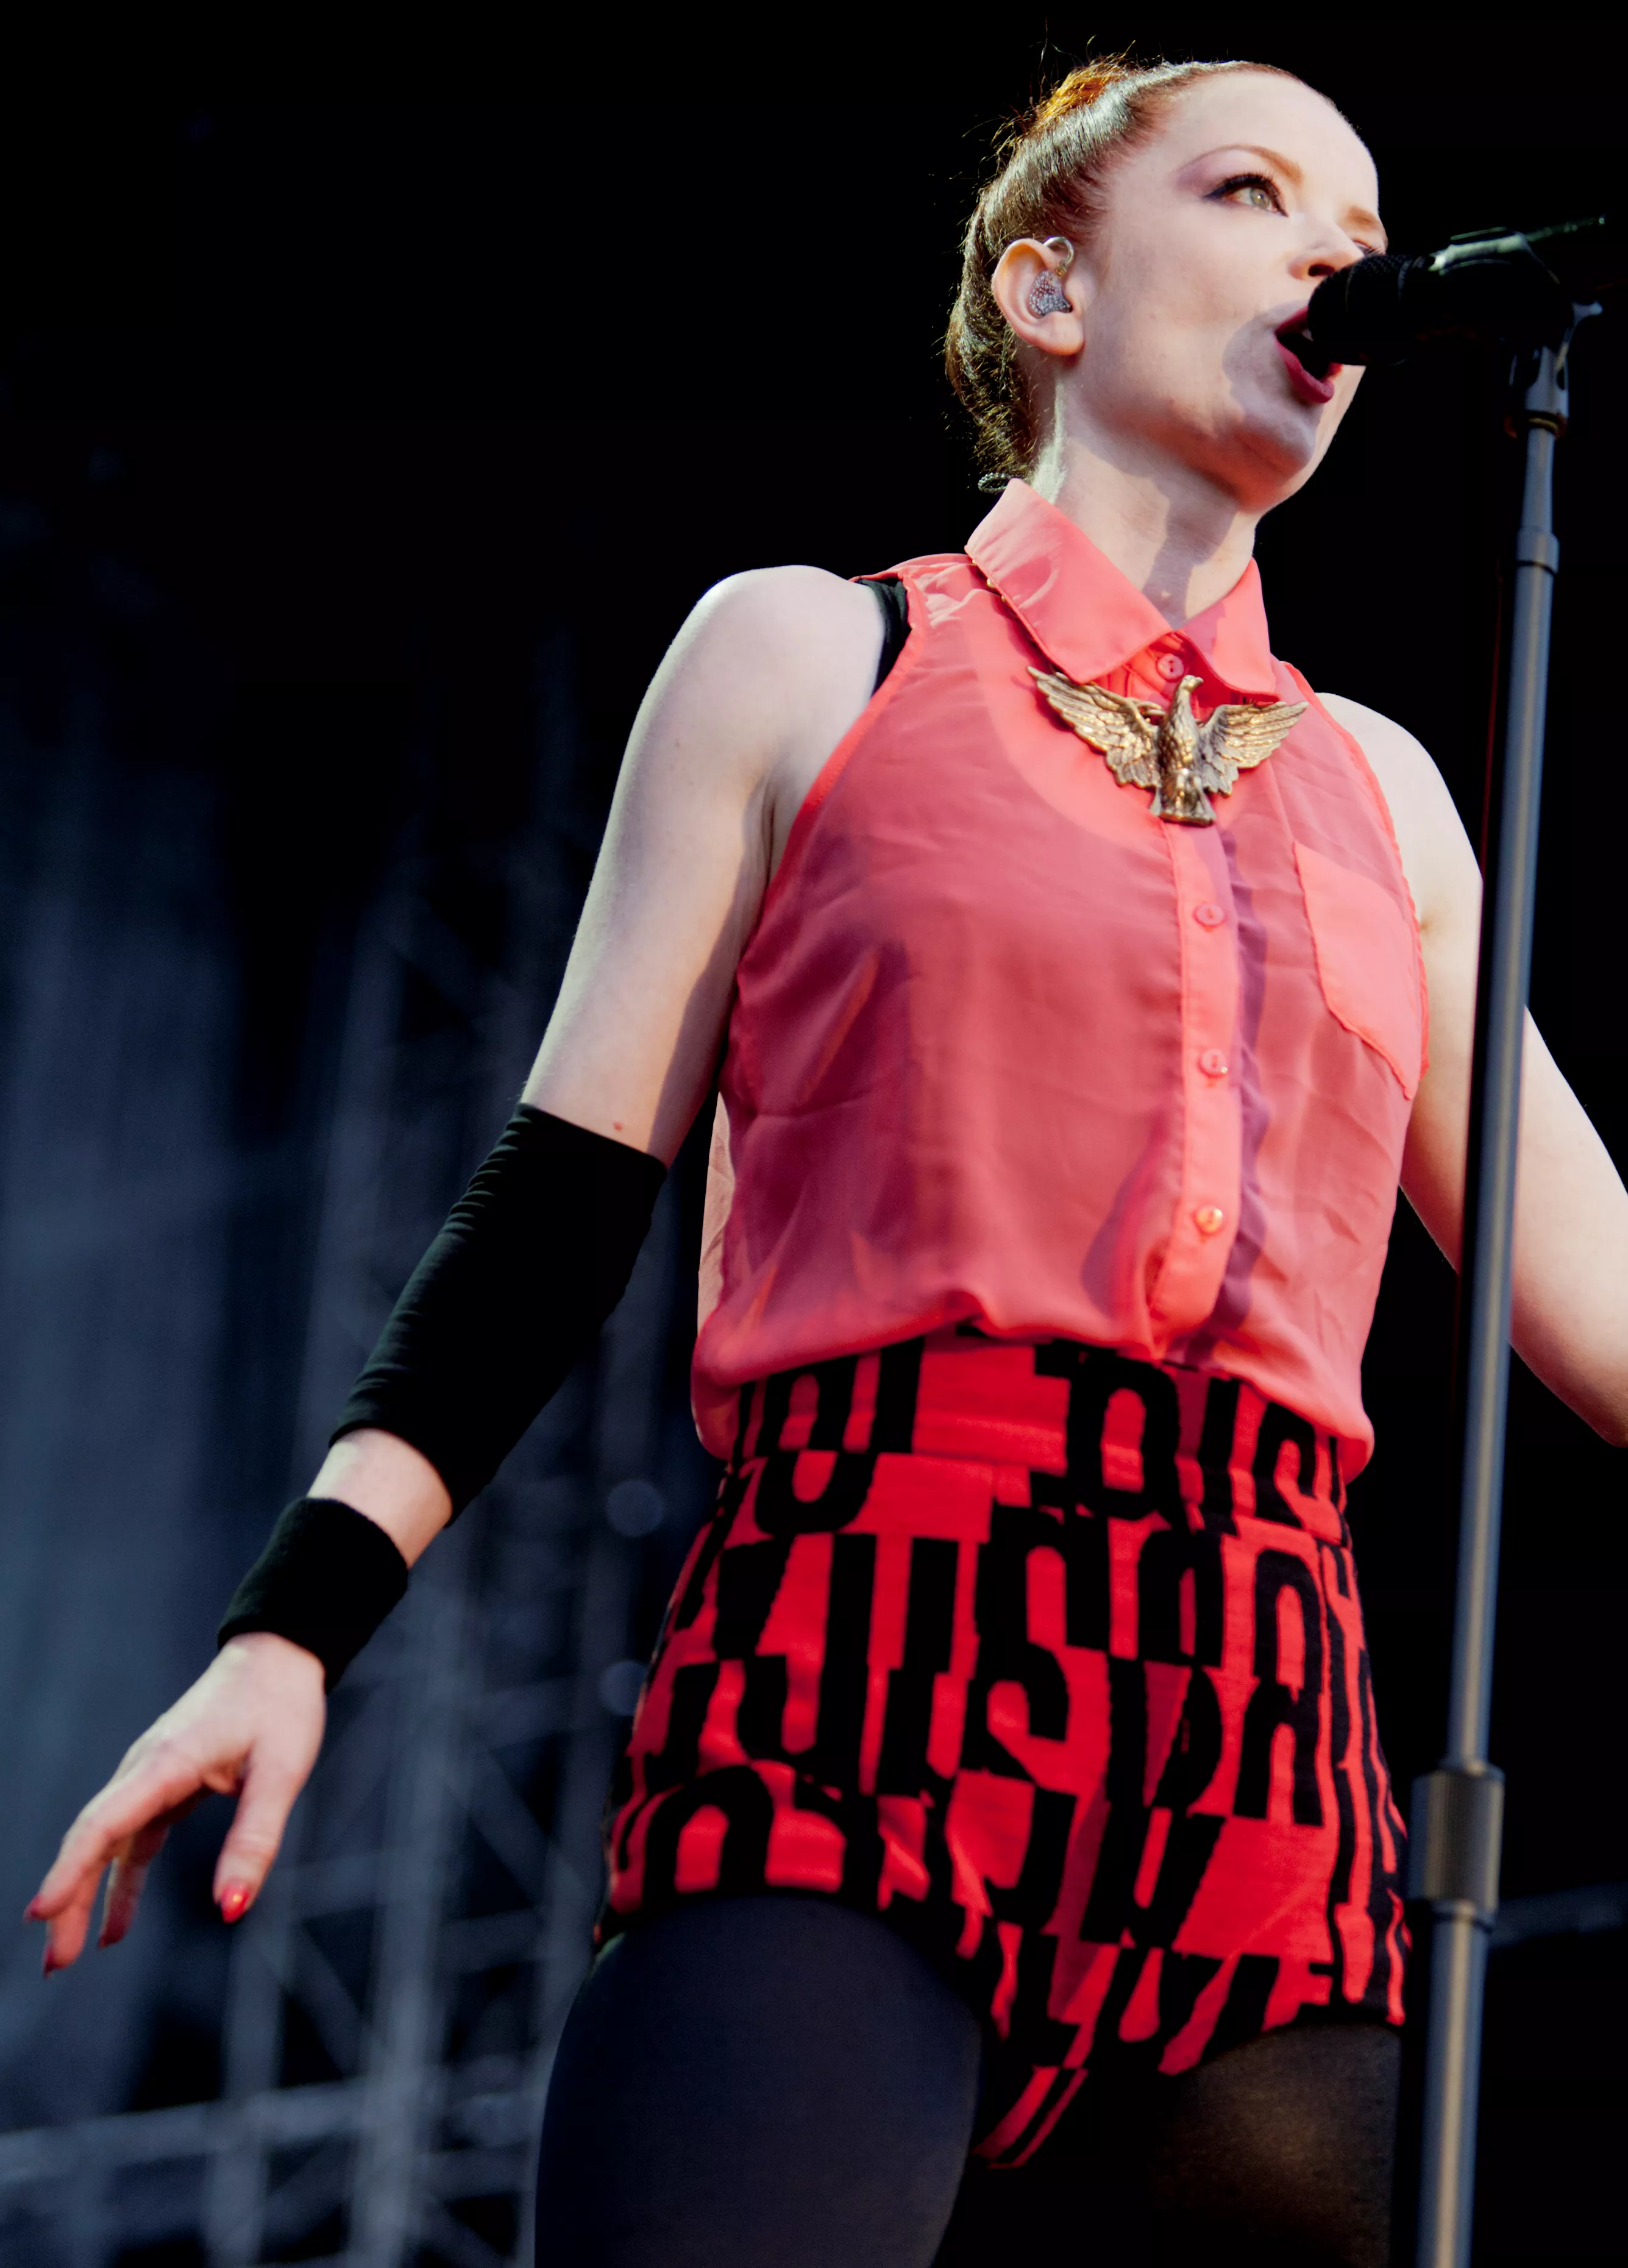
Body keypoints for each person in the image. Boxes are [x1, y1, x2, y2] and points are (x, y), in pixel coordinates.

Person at [28, 54, 1628, 2268]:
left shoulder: (1385, 797)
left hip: (1261, 1725)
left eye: (1360, 233)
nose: (1332, 261)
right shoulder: (811, 652)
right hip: (869, 1643)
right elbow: (556, 1202)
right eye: (1253, 192)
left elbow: (1603, 1307)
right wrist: (289, 1629)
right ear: (1049, 289)